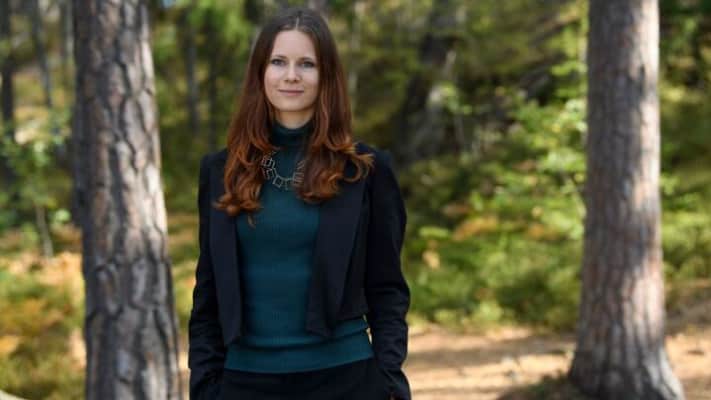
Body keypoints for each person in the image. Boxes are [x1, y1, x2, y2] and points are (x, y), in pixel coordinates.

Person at [187, 6, 410, 400]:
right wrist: (205, 385)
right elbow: (208, 292)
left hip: (345, 379)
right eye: (278, 62)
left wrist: (388, 378)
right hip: (244, 382)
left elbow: (387, 287)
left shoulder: (364, 170)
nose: (291, 75)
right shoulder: (221, 171)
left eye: (307, 64)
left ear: (327, 76)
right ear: (260, 72)